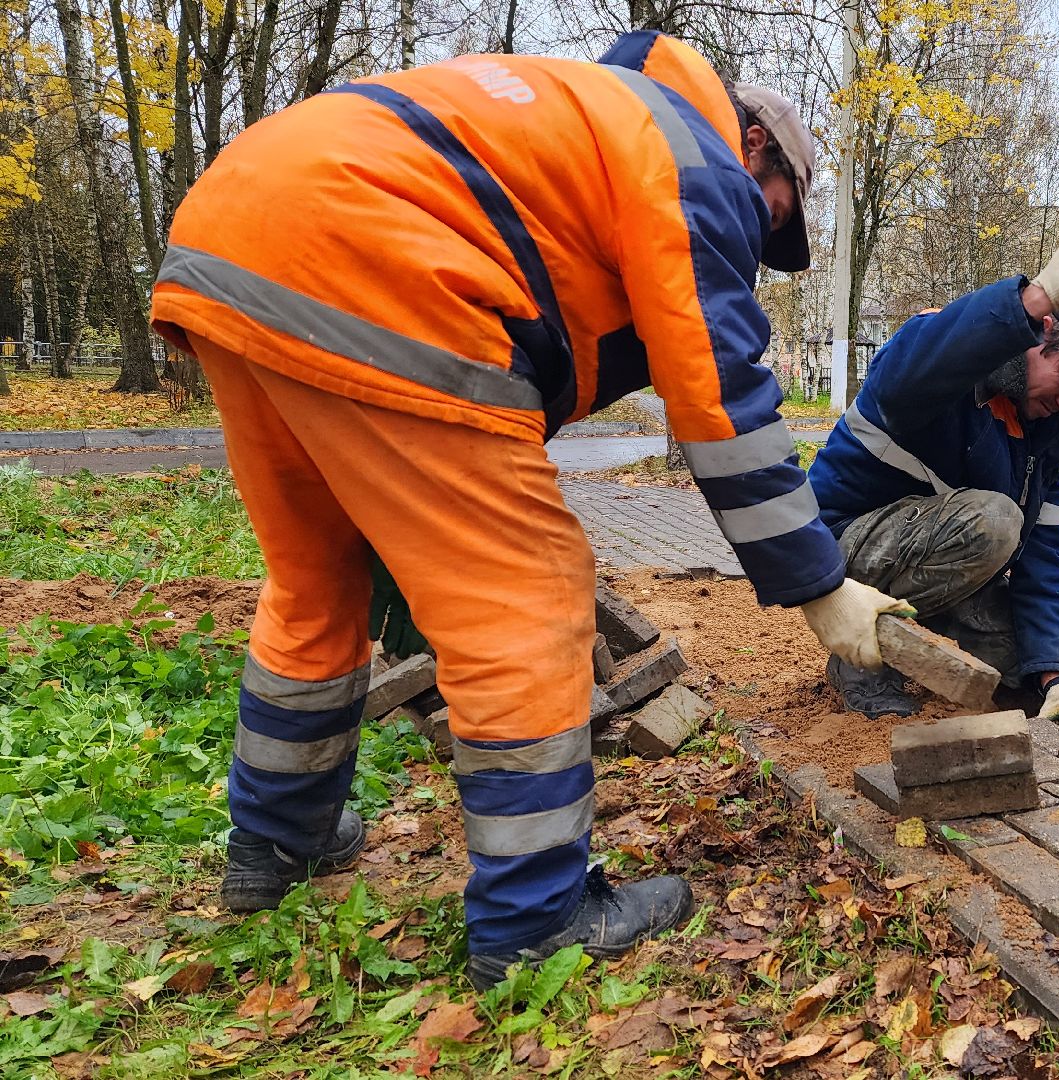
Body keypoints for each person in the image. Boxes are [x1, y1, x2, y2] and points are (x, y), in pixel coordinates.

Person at [149, 30, 909, 989]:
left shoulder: (584, 125)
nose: (759, 241)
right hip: (379, 257)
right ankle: (533, 921)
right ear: (753, 146)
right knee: (527, 595)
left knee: (317, 578)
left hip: (233, 232)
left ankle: (274, 846)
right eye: (776, 213)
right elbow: (721, 399)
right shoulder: (694, 158)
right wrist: (819, 586)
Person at [807, 229, 1059, 736]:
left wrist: (1058, 679)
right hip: (837, 548)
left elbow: (1046, 555)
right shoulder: (946, 355)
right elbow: (909, 374)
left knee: (1048, 655)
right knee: (995, 521)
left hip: (929, 564)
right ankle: (862, 661)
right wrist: (1030, 299)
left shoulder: (1048, 434)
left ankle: (1012, 665)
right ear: (1044, 333)